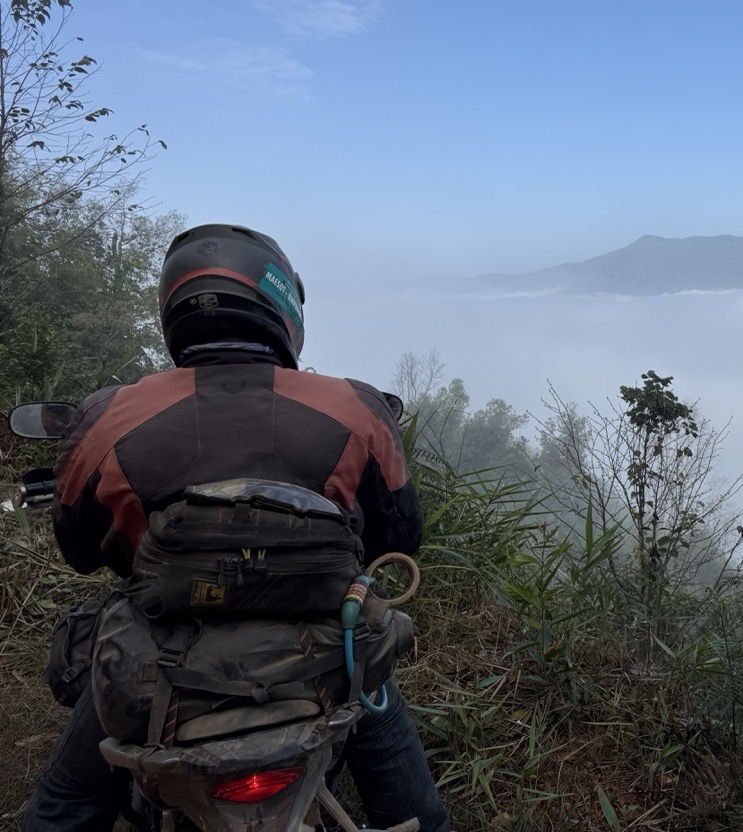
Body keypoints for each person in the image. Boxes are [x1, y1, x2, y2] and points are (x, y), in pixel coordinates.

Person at [22, 223, 451, 832]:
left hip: (157, 658)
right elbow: (399, 541)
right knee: (414, 812)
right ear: (280, 304)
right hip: (328, 654)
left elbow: (80, 551)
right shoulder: (355, 407)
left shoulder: (109, 415)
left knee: (63, 808)